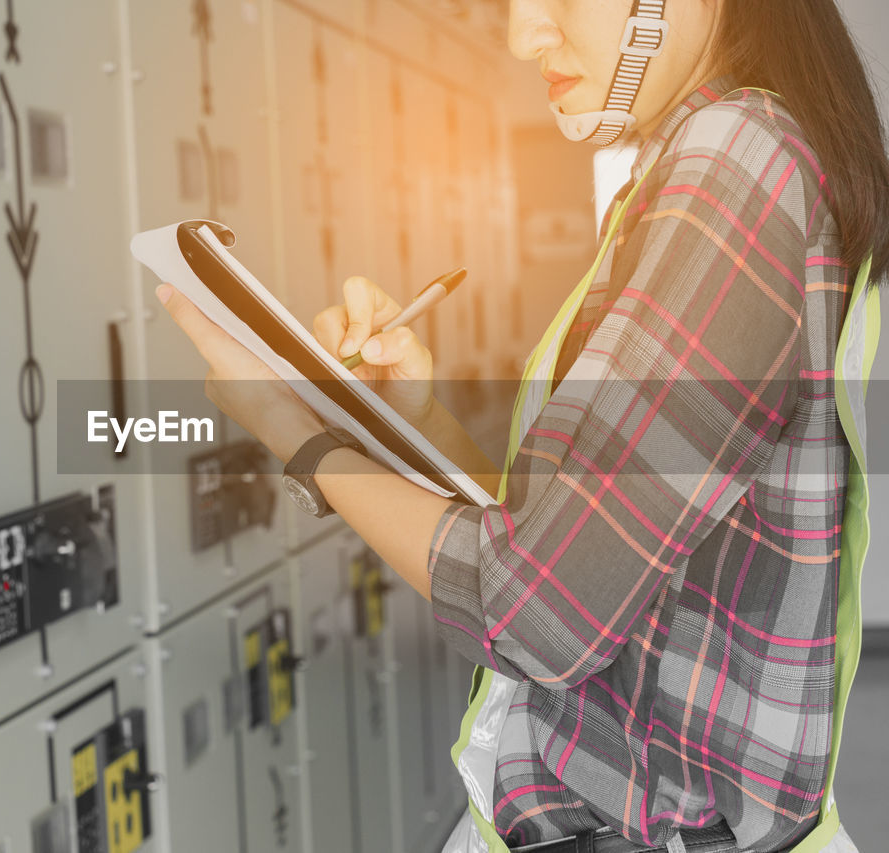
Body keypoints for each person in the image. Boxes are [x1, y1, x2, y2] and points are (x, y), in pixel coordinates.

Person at [154, 0, 887, 851]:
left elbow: (538, 615)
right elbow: (575, 545)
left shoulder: (735, 164)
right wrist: (412, 419)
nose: (520, 34)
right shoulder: (726, 159)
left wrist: (298, 436)